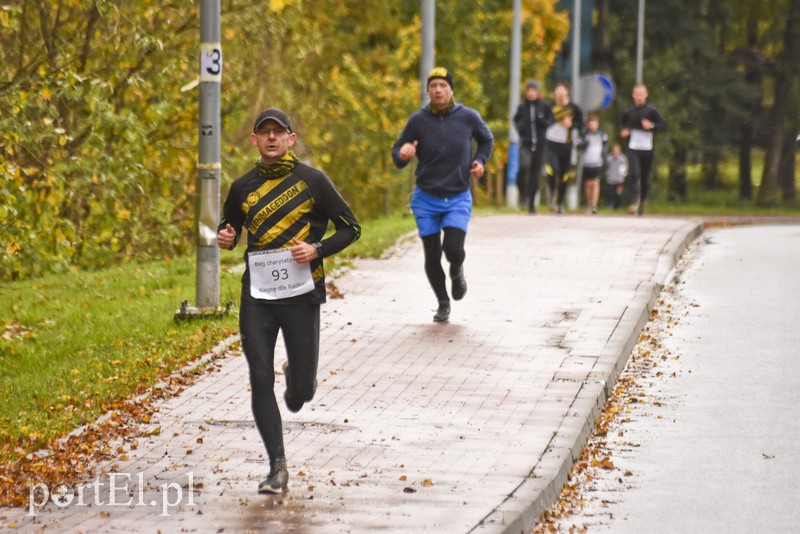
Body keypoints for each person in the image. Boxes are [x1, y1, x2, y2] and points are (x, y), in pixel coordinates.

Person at [217, 108, 361, 494]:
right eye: (263, 133)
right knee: (259, 376)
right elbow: (228, 225)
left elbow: (352, 228)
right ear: (254, 141)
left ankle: (297, 382)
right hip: (258, 296)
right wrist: (226, 237)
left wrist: (316, 249)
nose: (271, 139)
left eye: (278, 133)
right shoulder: (242, 186)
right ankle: (277, 467)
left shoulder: (313, 180)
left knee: (303, 392)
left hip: (301, 295)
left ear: (291, 139)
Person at [391, 67, 494, 323]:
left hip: (458, 195)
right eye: (433, 85)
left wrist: (480, 160)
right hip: (426, 197)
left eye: (443, 86)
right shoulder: (418, 121)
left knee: (453, 248)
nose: (438, 90)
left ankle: (457, 270)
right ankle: (442, 302)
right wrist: (403, 154)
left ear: (451, 90)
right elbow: (398, 152)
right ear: (428, 91)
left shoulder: (467, 117)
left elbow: (487, 139)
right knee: (432, 254)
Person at [619, 84, 667, 215]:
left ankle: (643, 201)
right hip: (633, 147)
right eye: (637, 94)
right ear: (633, 95)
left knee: (645, 176)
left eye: (641, 94)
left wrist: (651, 125)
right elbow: (622, 124)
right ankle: (633, 202)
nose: (639, 97)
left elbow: (663, 125)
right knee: (634, 173)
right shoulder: (629, 111)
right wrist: (623, 131)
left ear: (646, 95)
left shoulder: (652, 110)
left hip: (647, 147)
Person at [513, 80, 554, 213]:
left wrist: (542, 122)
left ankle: (532, 204)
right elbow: (516, 119)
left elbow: (551, 120)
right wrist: (521, 130)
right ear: (526, 92)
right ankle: (523, 196)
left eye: (533, 91)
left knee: (535, 175)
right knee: (524, 168)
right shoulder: (522, 107)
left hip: (540, 145)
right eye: (529, 91)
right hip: (526, 143)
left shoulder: (544, 106)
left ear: (537, 92)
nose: (531, 93)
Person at [545, 82, 584, 214]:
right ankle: (552, 193)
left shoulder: (574, 108)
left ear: (567, 93)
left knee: (564, 175)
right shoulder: (549, 107)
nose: (560, 93)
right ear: (555, 93)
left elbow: (581, 124)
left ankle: (560, 203)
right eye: (558, 91)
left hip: (566, 145)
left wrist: (572, 124)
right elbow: (542, 121)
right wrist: (550, 122)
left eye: (563, 91)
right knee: (552, 169)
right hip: (551, 144)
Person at [579, 114, 608, 214]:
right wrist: (584, 144)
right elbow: (579, 146)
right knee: (587, 184)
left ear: (597, 124)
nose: (592, 126)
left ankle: (594, 205)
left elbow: (605, 146)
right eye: (590, 124)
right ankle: (589, 203)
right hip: (587, 161)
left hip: (597, 161)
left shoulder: (601, 134)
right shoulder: (584, 134)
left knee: (595, 183)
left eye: (594, 124)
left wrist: (604, 157)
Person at [604, 143, 628, 210]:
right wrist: (607, 173)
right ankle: (610, 206)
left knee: (618, 194)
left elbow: (625, 167)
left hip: (619, 180)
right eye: (614, 150)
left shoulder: (623, 158)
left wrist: (624, 174)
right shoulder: (609, 158)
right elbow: (606, 168)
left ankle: (618, 206)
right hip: (610, 180)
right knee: (610, 194)